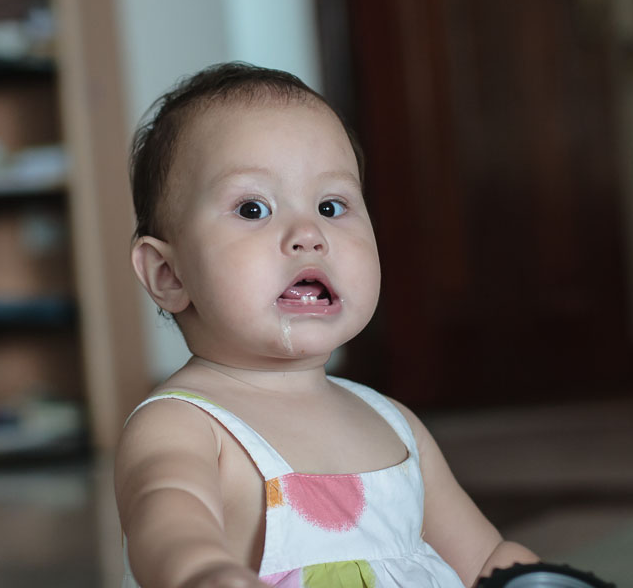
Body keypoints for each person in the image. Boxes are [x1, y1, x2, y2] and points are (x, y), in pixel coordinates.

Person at [115, 62, 538, 588]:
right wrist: (200, 570)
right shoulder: (184, 423)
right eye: (253, 209)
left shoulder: (394, 424)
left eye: (332, 206)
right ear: (169, 273)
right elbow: (166, 523)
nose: (308, 234)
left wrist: (521, 574)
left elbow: (481, 558)